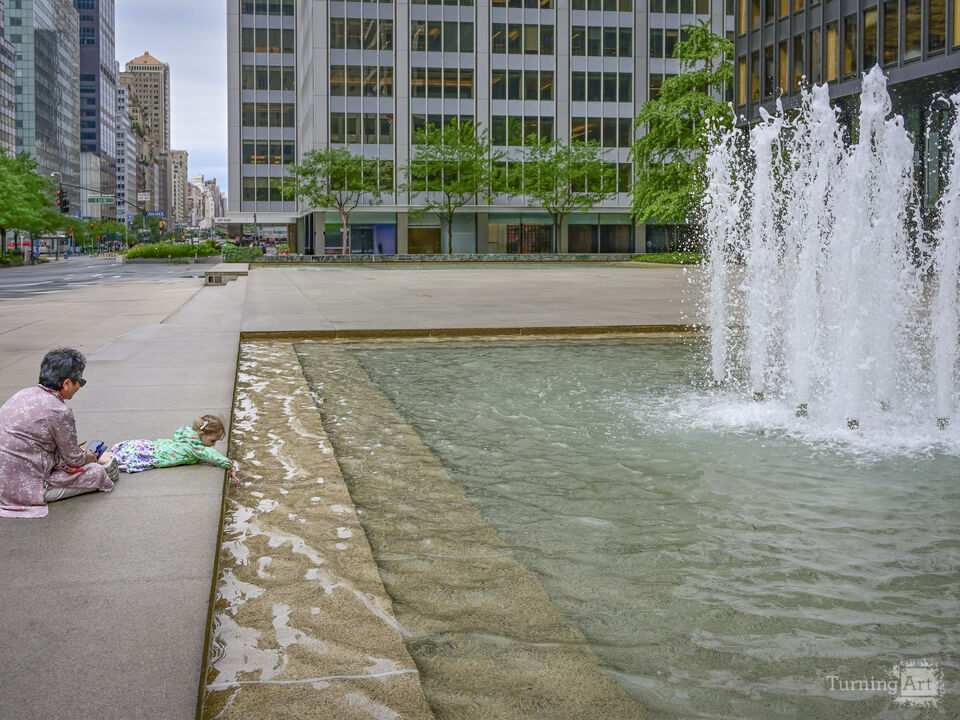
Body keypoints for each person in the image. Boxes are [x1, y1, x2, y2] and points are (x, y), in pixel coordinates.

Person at [0, 348, 118, 518]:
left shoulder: (23, 394)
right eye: (80, 381)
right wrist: (90, 456)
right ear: (67, 384)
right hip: (26, 488)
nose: (80, 386)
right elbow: (75, 460)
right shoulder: (59, 410)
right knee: (98, 472)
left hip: (4, 479)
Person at [110, 414, 239, 484]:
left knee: (117, 454)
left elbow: (177, 434)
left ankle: (94, 455)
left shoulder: (187, 432)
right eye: (212, 440)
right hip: (155, 456)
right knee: (114, 460)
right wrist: (231, 466)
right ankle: (93, 460)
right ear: (201, 434)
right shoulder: (197, 448)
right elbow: (213, 456)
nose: (213, 445)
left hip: (150, 446)